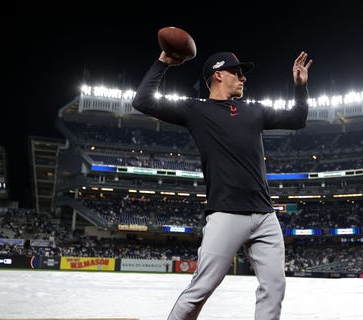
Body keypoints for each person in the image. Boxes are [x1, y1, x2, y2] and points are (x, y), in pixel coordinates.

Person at [132, 49, 312, 320]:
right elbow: (142, 101)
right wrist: (163, 62)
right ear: (218, 75)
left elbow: (298, 119)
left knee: (274, 288)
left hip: (265, 216)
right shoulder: (196, 109)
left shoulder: (255, 110)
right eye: (237, 73)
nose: (243, 78)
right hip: (226, 213)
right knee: (201, 289)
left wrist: (301, 87)